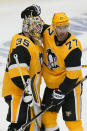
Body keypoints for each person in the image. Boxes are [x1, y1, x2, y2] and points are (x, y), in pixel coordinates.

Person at [27, 5, 84, 131]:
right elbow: (35, 26)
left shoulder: (73, 48)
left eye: (65, 27)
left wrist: (62, 91)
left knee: (72, 122)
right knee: (47, 119)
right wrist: (30, 14)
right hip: (52, 87)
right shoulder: (47, 32)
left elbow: (73, 76)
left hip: (71, 88)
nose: (63, 31)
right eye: (59, 27)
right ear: (53, 27)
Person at [2, 5, 43, 131]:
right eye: (35, 25)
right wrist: (26, 90)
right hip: (19, 93)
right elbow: (17, 68)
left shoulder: (34, 42)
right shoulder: (21, 42)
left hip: (28, 93)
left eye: (39, 24)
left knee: (30, 126)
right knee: (18, 126)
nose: (39, 27)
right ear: (28, 26)